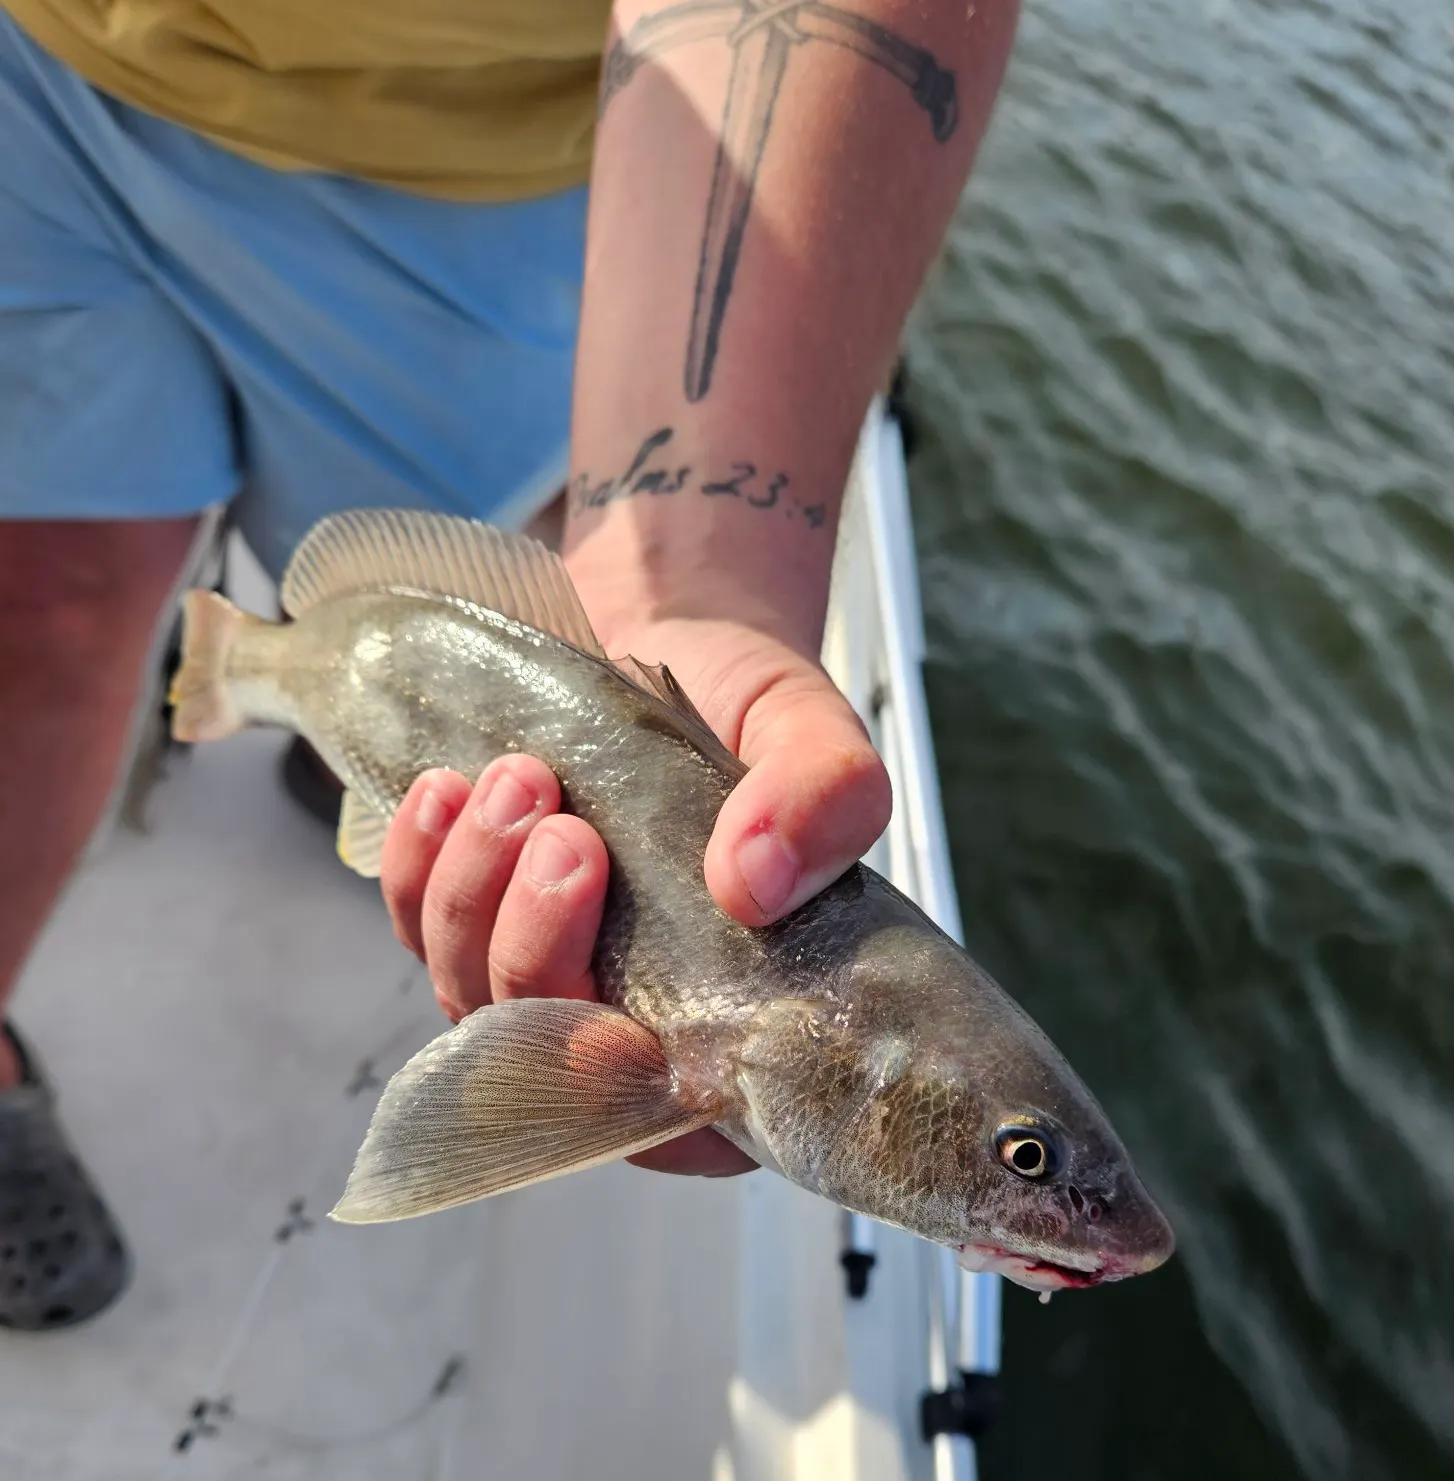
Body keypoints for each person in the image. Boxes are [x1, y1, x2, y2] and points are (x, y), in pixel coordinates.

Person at [0, 0, 1019, 1330]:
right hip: (52, 72)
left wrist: (692, 568)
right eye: (1022, 1161)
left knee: (449, 637)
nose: (1035, 1185)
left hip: (479, 176)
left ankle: (354, 766)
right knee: (54, 601)